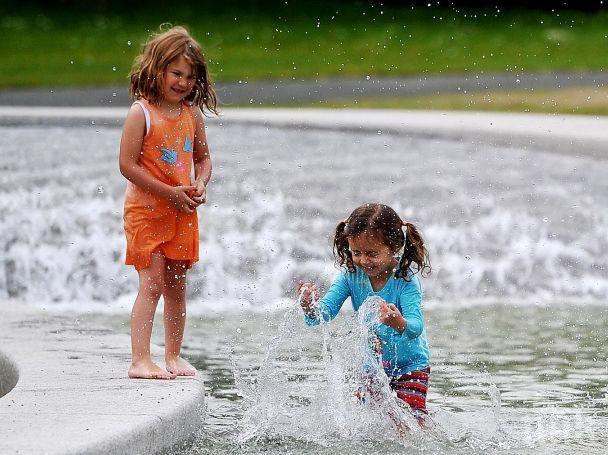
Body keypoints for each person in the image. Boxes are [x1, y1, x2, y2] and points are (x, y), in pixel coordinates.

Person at [119, 25, 218, 379]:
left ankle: (173, 356)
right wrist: (169, 192)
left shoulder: (192, 115)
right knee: (153, 283)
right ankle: (140, 360)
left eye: (191, 77)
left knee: (177, 285)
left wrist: (199, 184)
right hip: (146, 213)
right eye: (177, 73)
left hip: (182, 212)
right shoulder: (141, 113)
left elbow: (204, 160)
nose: (183, 82)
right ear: (157, 70)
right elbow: (127, 166)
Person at [297, 203, 432, 419]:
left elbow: (416, 328)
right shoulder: (350, 276)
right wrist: (309, 306)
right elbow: (325, 314)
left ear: (394, 246)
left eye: (372, 253)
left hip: (410, 365)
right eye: (356, 252)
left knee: (410, 423)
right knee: (370, 423)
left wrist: (398, 322)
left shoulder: (405, 281)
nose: (363, 260)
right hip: (372, 365)